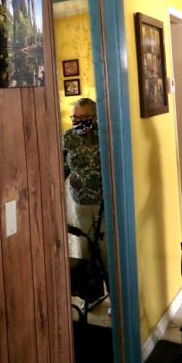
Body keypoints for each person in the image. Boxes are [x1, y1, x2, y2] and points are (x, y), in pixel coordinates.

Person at [63, 98, 105, 263]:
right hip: (80, 204)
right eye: (75, 118)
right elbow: (62, 168)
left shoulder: (104, 135)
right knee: (85, 251)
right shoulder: (68, 138)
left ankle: (112, 287)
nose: (79, 122)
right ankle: (93, 287)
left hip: (104, 205)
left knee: (106, 251)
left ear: (94, 117)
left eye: (84, 117)